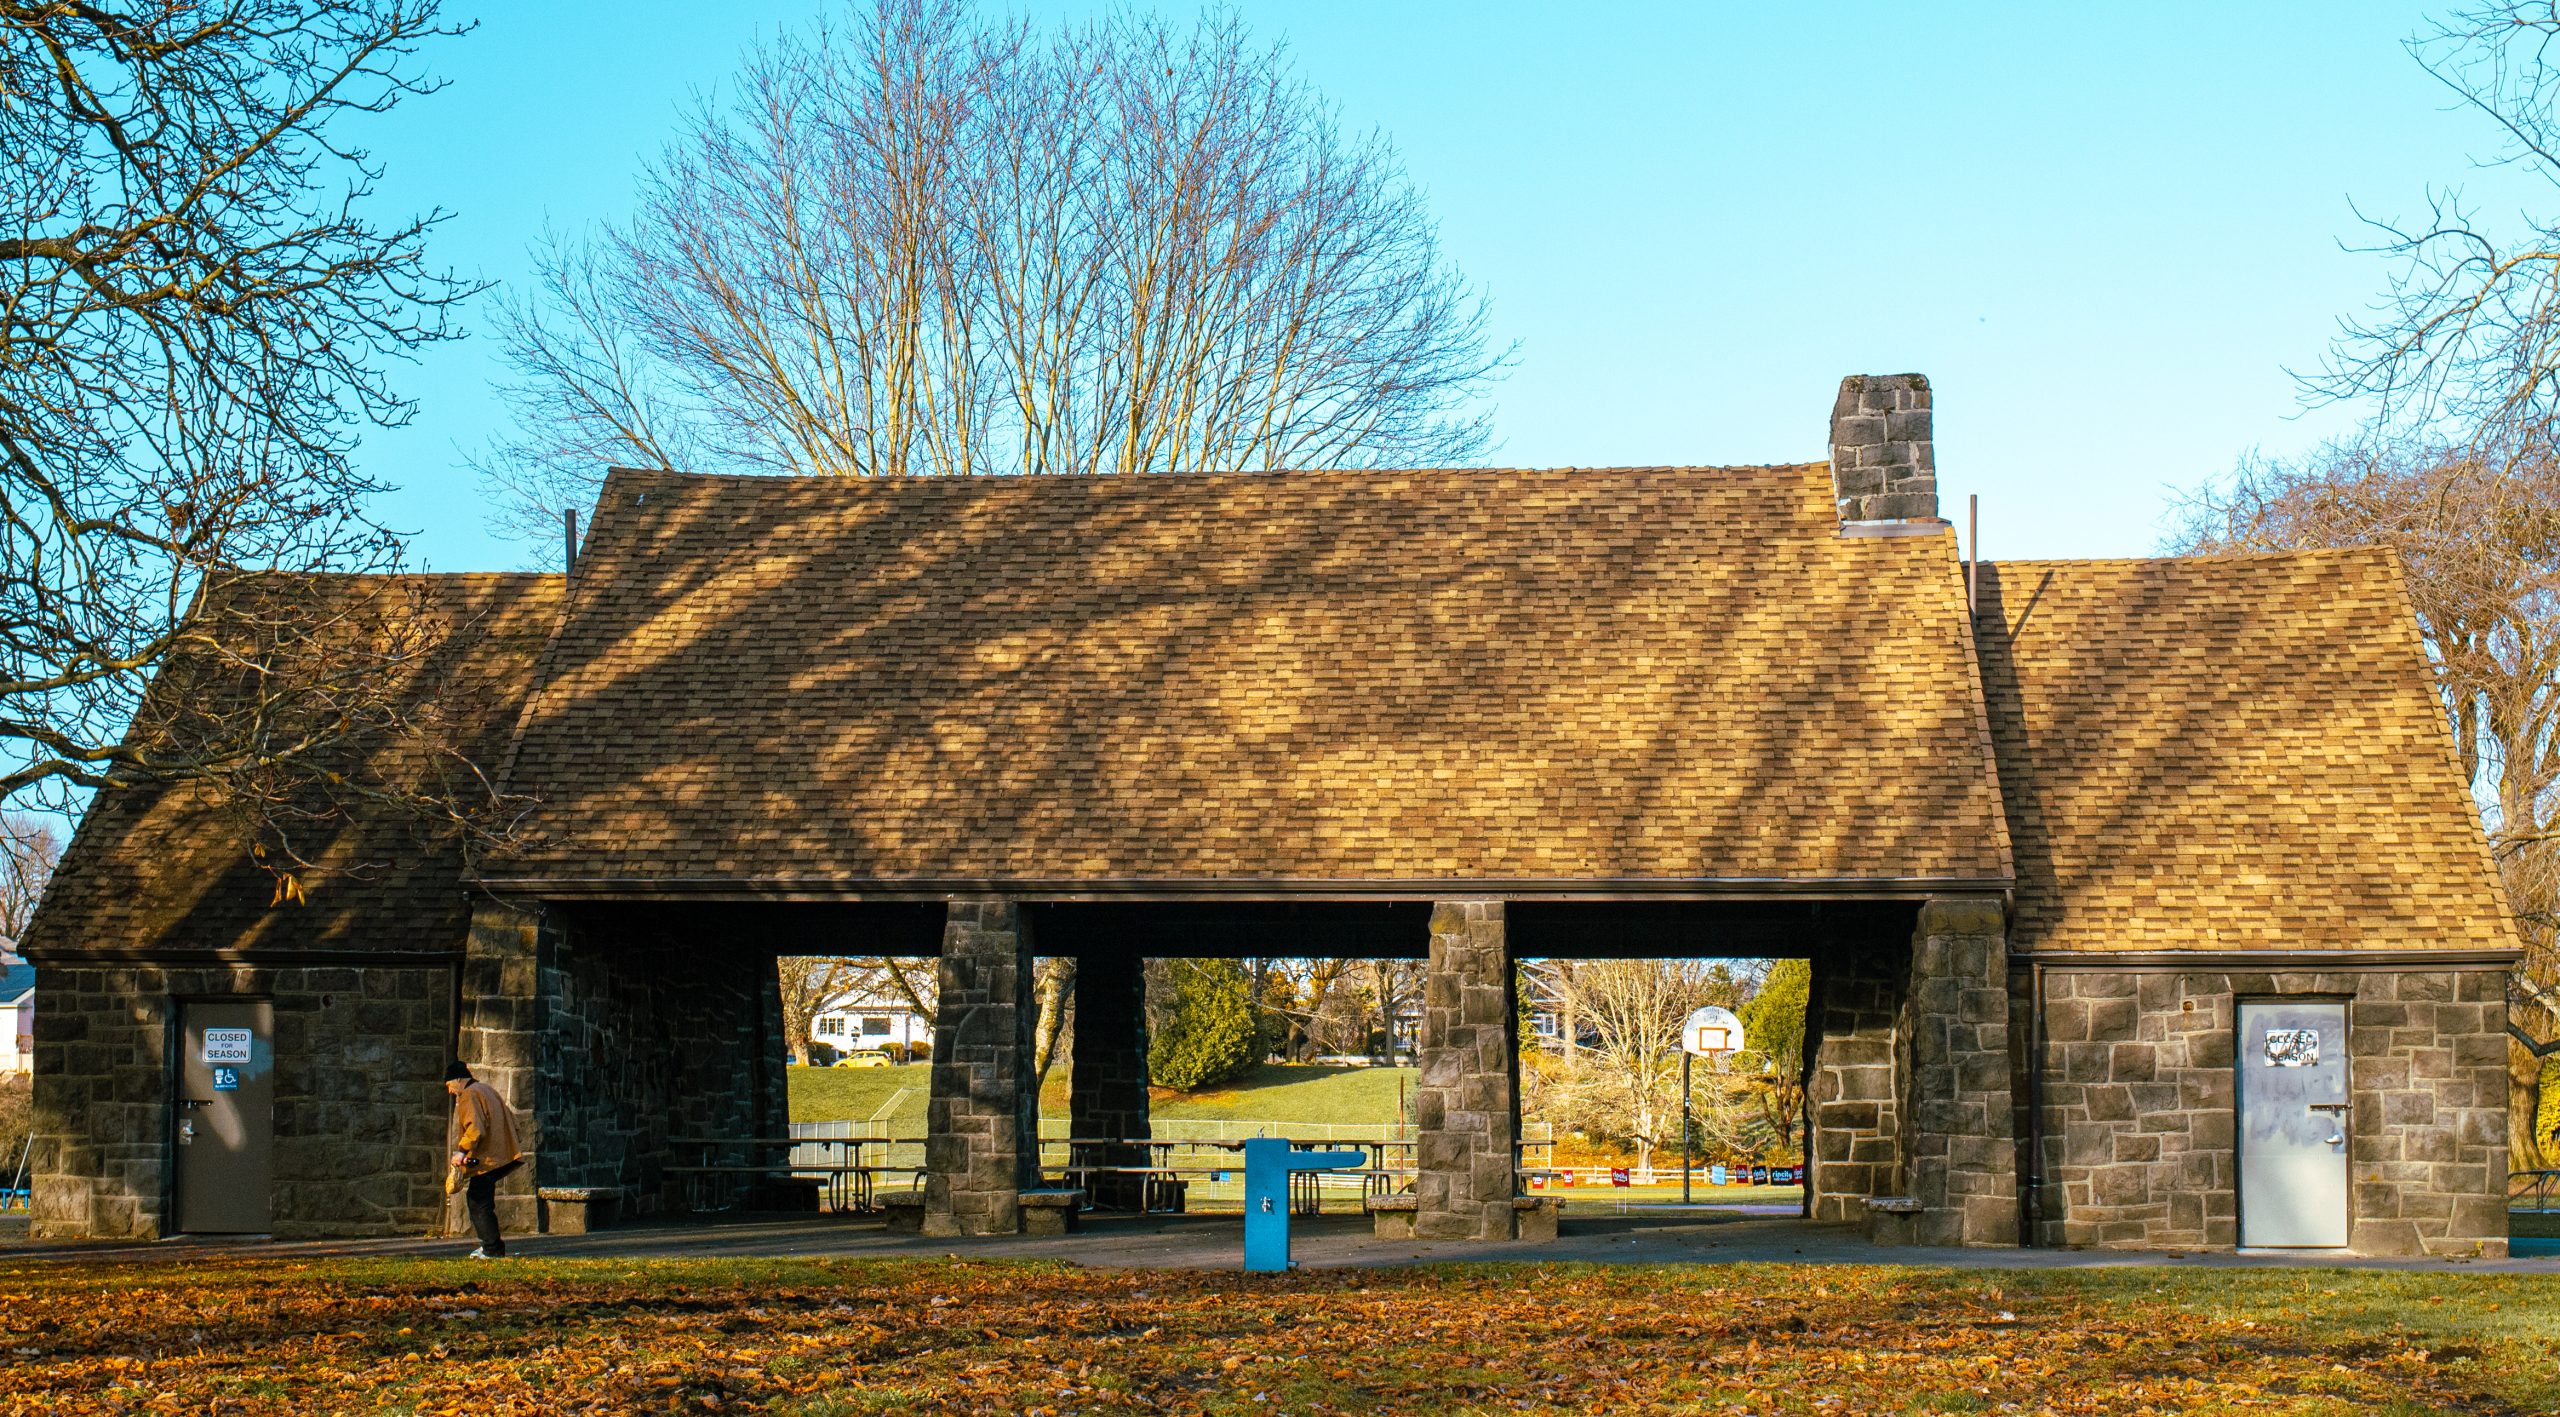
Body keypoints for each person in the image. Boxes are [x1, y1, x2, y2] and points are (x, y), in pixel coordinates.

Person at [445, 1061, 524, 1259]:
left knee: (478, 1202)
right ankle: (490, 1246)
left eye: (449, 1085)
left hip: (488, 1159)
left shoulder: (469, 1094)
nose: (450, 1091)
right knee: (481, 1199)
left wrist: (462, 1151)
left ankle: (492, 1248)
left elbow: (475, 1128)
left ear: (458, 1080)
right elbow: (513, 1122)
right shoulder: (486, 1089)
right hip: (501, 1154)